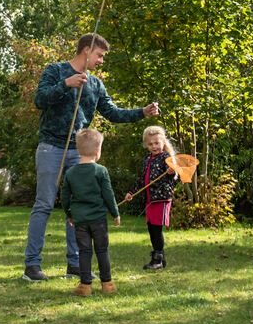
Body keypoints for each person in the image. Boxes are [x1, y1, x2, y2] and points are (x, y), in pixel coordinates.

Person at [22, 33, 159, 282]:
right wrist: (66, 84)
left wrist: (142, 112)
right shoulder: (55, 71)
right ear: (86, 50)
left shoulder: (96, 84)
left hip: (80, 153)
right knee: (44, 205)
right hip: (50, 148)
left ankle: (75, 264)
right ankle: (32, 266)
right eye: (99, 55)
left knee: (78, 208)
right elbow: (40, 100)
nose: (101, 60)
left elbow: (112, 112)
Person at [61, 128, 119, 296]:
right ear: (97, 150)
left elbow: (65, 197)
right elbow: (108, 194)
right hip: (98, 220)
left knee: (84, 252)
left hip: (80, 221)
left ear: (79, 150)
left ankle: (85, 285)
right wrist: (115, 213)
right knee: (102, 250)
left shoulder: (71, 172)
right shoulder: (100, 171)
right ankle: (107, 283)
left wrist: (69, 214)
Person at [124, 126, 178, 271]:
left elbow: (174, 177)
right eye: (150, 144)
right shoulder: (147, 159)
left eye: (156, 143)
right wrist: (132, 192)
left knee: (156, 229)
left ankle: (158, 260)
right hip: (150, 199)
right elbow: (142, 179)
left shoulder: (166, 157)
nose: (154, 146)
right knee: (151, 228)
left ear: (163, 142)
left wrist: (171, 172)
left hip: (161, 198)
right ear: (146, 145)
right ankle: (159, 256)